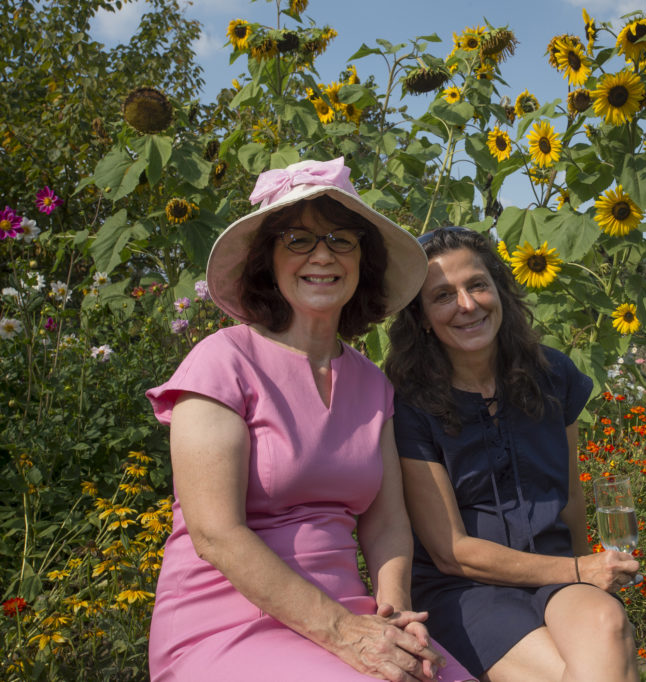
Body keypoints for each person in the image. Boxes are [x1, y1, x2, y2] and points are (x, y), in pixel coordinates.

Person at [145, 158, 474, 682]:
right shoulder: (221, 362)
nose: (322, 255)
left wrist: (395, 614)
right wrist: (343, 633)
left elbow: (387, 523)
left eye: (342, 240)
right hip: (227, 623)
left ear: (363, 260)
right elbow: (215, 534)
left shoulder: (373, 385)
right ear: (267, 260)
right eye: (297, 239)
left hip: (352, 616)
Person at [385, 227, 641, 682]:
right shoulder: (410, 405)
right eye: (443, 295)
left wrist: (593, 578)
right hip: (463, 591)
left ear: (500, 290)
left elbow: (569, 496)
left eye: (477, 285)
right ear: (422, 317)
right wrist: (580, 568)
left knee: (607, 623)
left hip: (556, 576)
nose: (467, 305)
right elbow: (452, 552)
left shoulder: (552, 373)